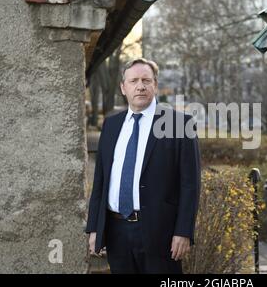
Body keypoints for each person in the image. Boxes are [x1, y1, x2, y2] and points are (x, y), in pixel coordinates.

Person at [85, 58, 201, 274]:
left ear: (155, 85)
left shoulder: (179, 125)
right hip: (116, 232)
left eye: (146, 80)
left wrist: (183, 231)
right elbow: (100, 181)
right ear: (123, 87)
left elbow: (190, 185)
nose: (140, 86)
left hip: (161, 234)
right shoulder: (111, 125)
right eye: (134, 81)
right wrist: (94, 228)